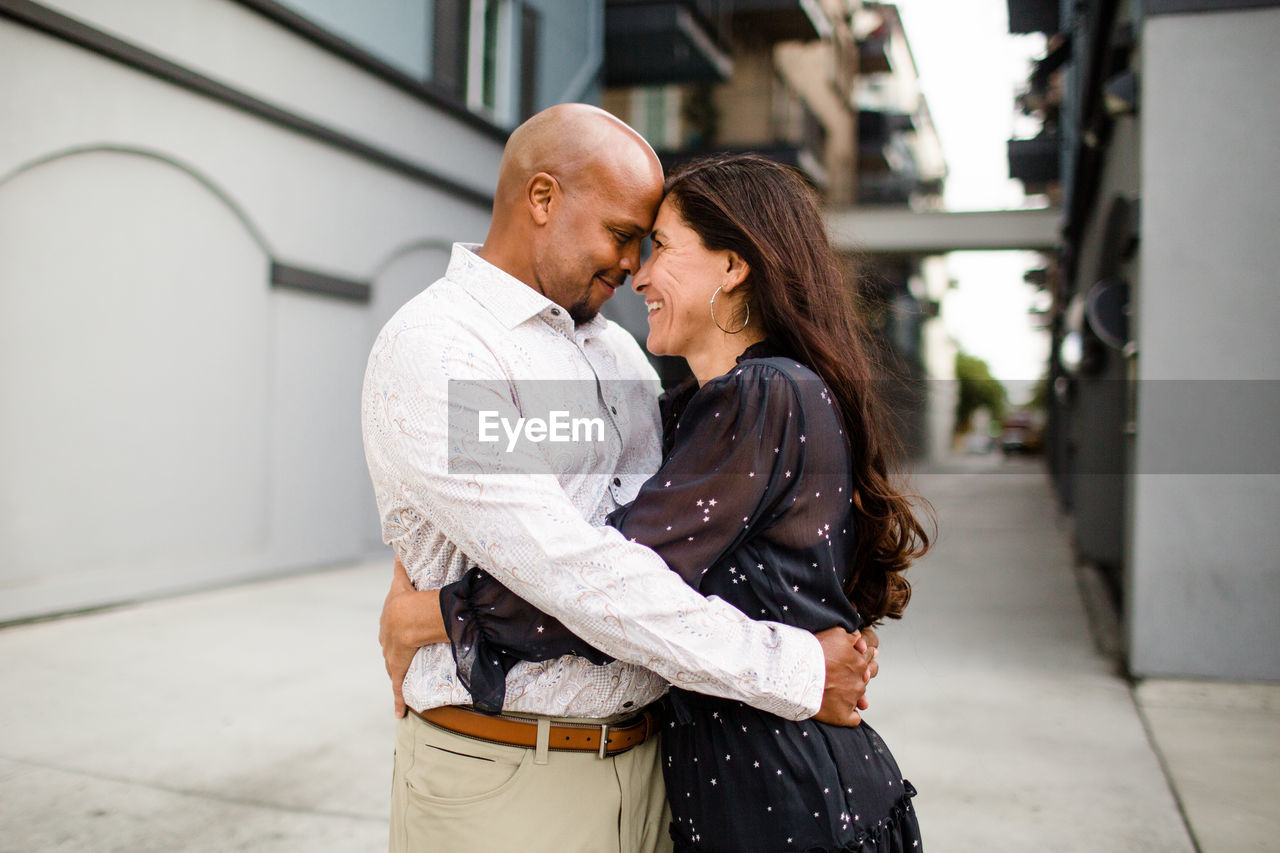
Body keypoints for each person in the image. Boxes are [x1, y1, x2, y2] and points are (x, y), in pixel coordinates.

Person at [362, 104, 879, 853]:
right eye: (622, 236)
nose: (633, 267)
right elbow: (576, 572)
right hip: (511, 775)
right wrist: (796, 666)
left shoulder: (621, 358)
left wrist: (438, 612)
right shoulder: (442, 347)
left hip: (659, 772)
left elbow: (658, 551)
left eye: (651, 243)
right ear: (543, 199)